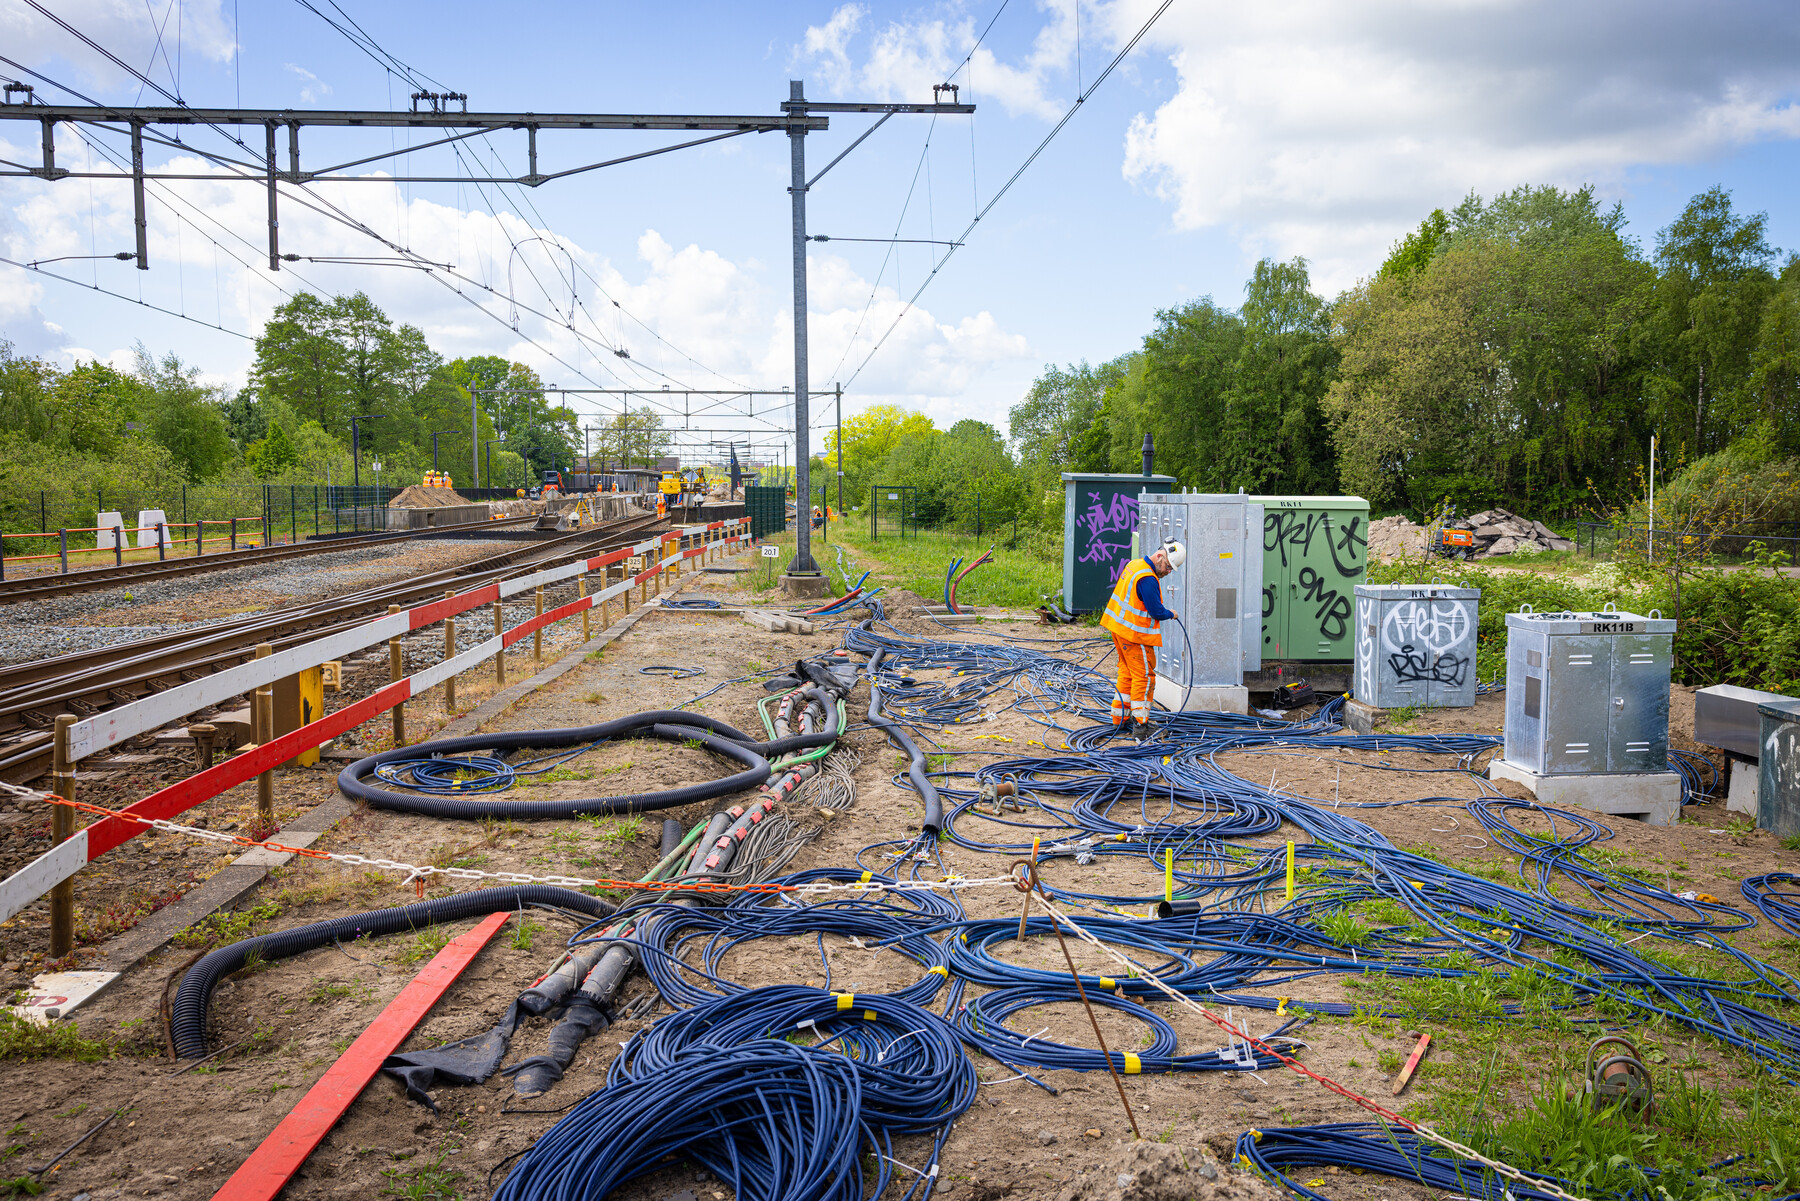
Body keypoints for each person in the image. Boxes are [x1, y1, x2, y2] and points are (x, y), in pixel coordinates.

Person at [1098, 538, 1186, 739]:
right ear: (1160, 556)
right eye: (1168, 566)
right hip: (1135, 635)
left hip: (1119, 629)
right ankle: (1141, 725)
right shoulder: (1148, 578)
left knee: (1127, 672)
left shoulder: (1134, 565)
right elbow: (1156, 611)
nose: (1167, 571)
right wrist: (1171, 613)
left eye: (1171, 569)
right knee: (1144, 677)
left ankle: (1120, 718)